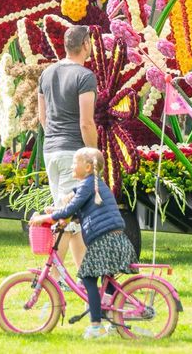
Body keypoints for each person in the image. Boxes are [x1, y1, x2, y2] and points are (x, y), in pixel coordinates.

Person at [30, 148, 136, 340]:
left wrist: (47, 217)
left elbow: (71, 208)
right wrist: (57, 212)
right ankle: (114, 316)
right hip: (113, 239)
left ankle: (96, 326)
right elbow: (78, 212)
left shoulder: (88, 185)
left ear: (87, 167)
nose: (71, 166)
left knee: (87, 279)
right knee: (107, 281)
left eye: (74, 163)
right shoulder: (92, 185)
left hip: (106, 241)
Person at [38, 25, 98, 270]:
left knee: (72, 218)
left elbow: (43, 118)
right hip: (72, 153)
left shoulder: (46, 74)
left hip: (50, 150)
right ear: (85, 44)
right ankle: (50, 279)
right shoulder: (85, 77)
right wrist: (94, 154)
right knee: (65, 219)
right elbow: (86, 123)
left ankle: (84, 277)